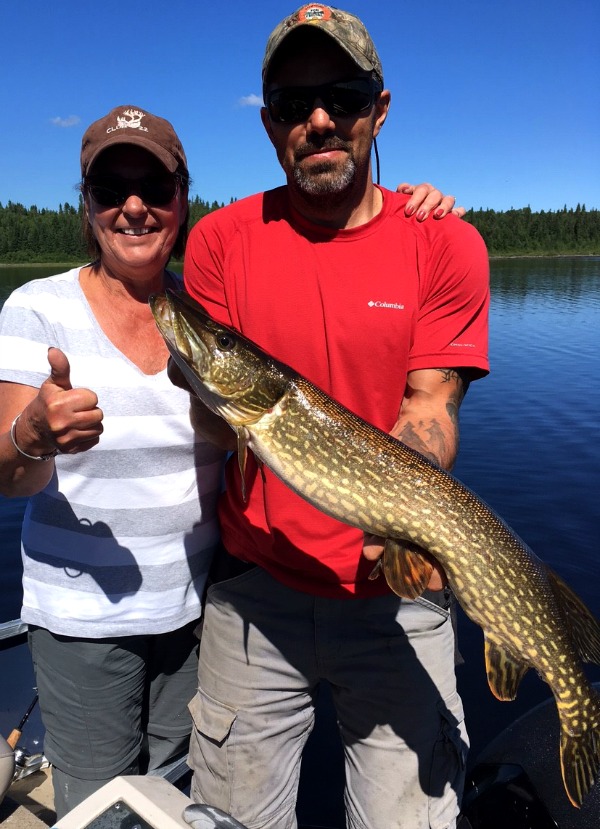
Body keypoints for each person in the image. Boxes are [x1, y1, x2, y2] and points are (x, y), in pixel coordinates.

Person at [181, 5, 490, 829]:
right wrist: (205, 391)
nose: (318, 118)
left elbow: (430, 407)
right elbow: (215, 425)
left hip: (398, 594)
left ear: (378, 110)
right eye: (291, 103)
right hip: (256, 595)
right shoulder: (218, 241)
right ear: (270, 121)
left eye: (343, 96)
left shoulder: (445, 244)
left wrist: (395, 517)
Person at [0, 105, 228, 818]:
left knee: (171, 798)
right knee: (102, 808)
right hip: (82, 622)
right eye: (110, 188)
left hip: (194, 616)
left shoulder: (203, 318)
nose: (134, 205)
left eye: (153, 187)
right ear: (88, 205)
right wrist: (32, 436)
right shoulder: (38, 310)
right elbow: (8, 476)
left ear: (181, 200)